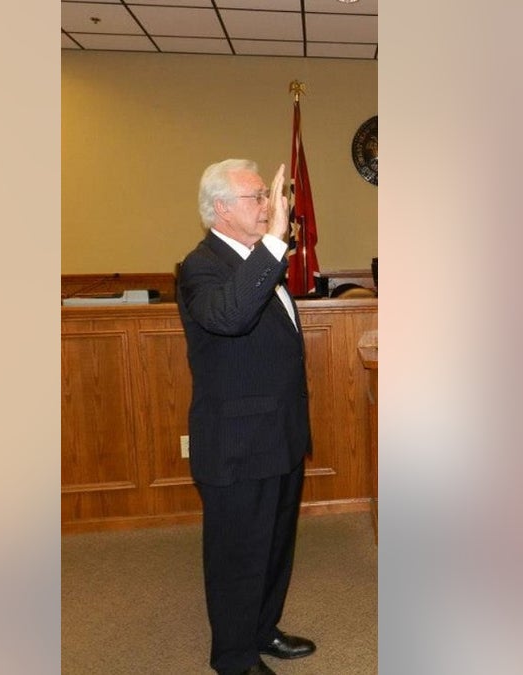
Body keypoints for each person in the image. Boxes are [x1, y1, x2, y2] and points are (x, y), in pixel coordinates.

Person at [175, 159, 316, 675]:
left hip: (278, 434)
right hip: (237, 441)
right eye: (256, 197)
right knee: (238, 555)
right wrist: (277, 242)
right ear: (220, 209)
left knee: (275, 545)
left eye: (266, 196)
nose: (269, 206)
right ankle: (233, 658)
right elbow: (231, 318)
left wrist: (271, 248)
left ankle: (262, 629)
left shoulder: (258, 259)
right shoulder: (201, 266)